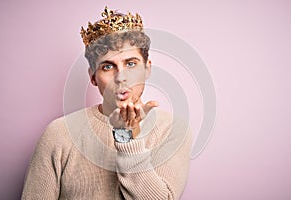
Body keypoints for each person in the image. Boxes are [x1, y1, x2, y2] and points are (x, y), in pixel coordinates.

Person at [21, 6, 192, 200]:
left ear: (147, 68)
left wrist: (126, 138)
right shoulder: (59, 133)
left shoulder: (172, 129)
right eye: (108, 66)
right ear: (93, 77)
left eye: (131, 63)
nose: (121, 77)